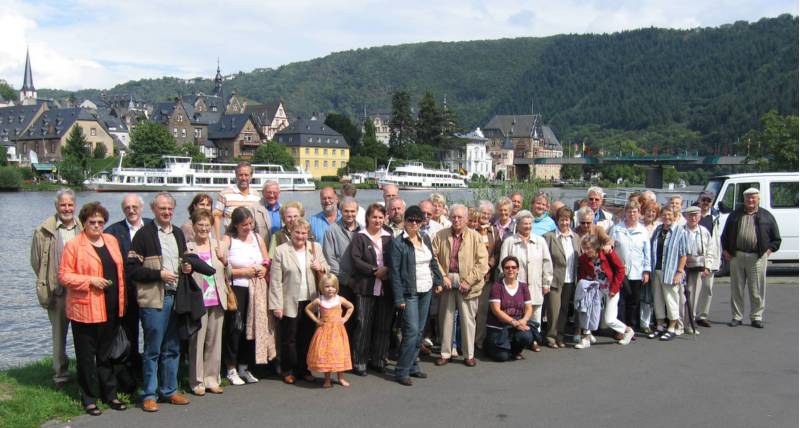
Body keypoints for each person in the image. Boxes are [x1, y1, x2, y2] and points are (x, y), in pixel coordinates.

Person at [58, 202, 127, 415]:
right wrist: (90, 281)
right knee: (87, 357)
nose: (96, 225)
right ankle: (89, 398)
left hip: (111, 308)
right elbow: (64, 276)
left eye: (100, 222)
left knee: (107, 355)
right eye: (92, 222)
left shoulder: (112, 241)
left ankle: (110, 394)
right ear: (84, 223)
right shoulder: (74, 245)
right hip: (85, 310)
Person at [126, 192, 192, 412]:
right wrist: (159, 275)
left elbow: (184, 259)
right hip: (155, 298)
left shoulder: (179, 234)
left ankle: (169, 390)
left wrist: (186, 268)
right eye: (162, 208)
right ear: (154, 210)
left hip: (176, 298)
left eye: (169, 208)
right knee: (153, 349)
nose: (166, 212)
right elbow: (132, 269)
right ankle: (149, 393)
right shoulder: (143, 235)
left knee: (172, 348)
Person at [31, 189, 82, 388]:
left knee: (83, 334)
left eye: (70, 205)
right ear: (56, 206)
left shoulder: (84, 226)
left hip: (80, 291)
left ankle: (85, 370)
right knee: (59, 335)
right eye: (63, 205)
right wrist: (49, 280)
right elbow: (37, 262)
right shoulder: (43, 230)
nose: (67, 208)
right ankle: (61, 374)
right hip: (58, 292)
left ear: (75, 206)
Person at [270, 218, 329, 384]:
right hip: (289, 300)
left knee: (307, 336)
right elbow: (275, 280)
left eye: (304, 233)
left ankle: (304, 369)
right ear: (291, 232)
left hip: (310, 299)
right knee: (289, 338)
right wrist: (276, 305)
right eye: (297, 232)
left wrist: (321, 267)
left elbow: (327, 269)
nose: (301, 236)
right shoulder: (281, 250)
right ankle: (287, 370)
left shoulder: (315, 248)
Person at [389, 205, 443, 385]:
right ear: (405, 221)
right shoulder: (398, 243)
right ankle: (401, 370)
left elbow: (433, 261)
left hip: (426, 289)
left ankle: (412, 365)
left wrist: (439, 280)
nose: (413, 224)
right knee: (411, 331)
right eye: (410, 220)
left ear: (422, 223)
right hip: (409, 292)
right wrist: (399, 298)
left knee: (419, 331)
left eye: (417, 221)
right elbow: (394, 273)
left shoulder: (425, 238)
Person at [104, 193, 151, 392]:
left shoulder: (152, 226)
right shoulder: (113, 231)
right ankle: (130, 375)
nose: (131, 211)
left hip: (150, 290)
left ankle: (149, 373)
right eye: (127, 208)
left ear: (141, 208)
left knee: (152, 332)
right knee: (130, 334)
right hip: (127, 292)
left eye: (135, 207)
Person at [222, 207, 274, 386]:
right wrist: (243, 271)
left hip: (256, 288)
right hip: (237, 288)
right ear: (235, 225)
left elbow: (266, 259)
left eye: (251, 224)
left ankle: (245, 365)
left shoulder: (258, 238)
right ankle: (231, 367)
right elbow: (223, 267)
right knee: (235, 328)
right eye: (244, 225)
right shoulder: (228, 240)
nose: (248, 227)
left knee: (250, 328)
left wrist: (264, 268)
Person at [432, 204, 489, 367]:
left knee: (468, 320)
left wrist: (468, 281)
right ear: (450, 218)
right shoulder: (440, 235)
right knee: (446, 319)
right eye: (454, 217)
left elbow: (482, 263)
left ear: (466, 219)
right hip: (447, 280)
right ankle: (445, 352)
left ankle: (468, 354)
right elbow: (433, 258)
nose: (456, 220)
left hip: (468, 282)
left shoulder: (475, 236)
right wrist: (442, 276)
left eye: (460, 217)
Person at [720, 187, 780, 328]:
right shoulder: (735, 215)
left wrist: (769, 250)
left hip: (757, 257)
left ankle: (756, 317)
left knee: (757, 289)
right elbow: (725, 235)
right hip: (737, 256)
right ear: (744, 199)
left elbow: (776, 238)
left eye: (753, 197)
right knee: (737, 289)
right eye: (748, 198)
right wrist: (726, 251)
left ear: (758, 199)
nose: (750, 200)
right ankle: (737, 316)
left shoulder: (767, 216)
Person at [186, 209, 229, 396]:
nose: (204, 228)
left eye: (207, 225)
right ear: (194, 226)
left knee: (214, 342)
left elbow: (228, 275)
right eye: (200, 225)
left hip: (217, 299)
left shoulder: (218, 245)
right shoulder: (188, 248)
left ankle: (212, 379)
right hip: (198, 301)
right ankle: (197, 381)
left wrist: (225, 261)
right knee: (197, 342)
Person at [498, 210, 552, 352]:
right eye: (524, 223)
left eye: (530, 223)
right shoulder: (509, 242)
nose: (527, 226)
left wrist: (546, 282)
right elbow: (501, 265)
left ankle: (534, 339)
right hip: (515, 287)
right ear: (518, 224)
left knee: (535, 315)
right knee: (516, 314)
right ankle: (517, 341)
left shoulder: (540, 241)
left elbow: (547, 263)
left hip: (535, 285)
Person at [348, 203, 393, 375]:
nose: (377, 220)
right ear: (367, 217)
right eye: (374, 217)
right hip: (366, 287)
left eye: (381, 217)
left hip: (385, 288)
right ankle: (359, 361)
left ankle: (378, 359)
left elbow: (394, 259)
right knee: (363, 324)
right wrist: (375, 270)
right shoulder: (360, 237)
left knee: (383, 325)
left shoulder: (389, 237)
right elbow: (356, 260)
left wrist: (387, 270)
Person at [574, 233, 634, 349]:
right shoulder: (583, 259)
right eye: (584, 248)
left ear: (596, 247)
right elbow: (582, 275)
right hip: (595, 289)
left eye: (589, 248)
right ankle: (586, 337)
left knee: (609, 319)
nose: (586, 251)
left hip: (611, 288)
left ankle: (628, 331)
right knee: (588, 311)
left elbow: (620, 270)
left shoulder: (607, 254)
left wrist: (614, 288)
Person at [305, 273, 354, 388]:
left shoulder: (340, 299)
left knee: (339, 353)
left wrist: (345, 318)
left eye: (332, 286)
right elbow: (308, 309)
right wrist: (317, 321)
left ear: (336, 287)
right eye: (327, 286)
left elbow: (351, 306)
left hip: (338, 331)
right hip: (324, 332)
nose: (330, 289)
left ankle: (341, 378)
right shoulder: (319, 300)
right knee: (326, 355)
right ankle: (327, 380)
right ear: (322, 287)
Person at [609, 200, 652, 333]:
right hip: (620, 272)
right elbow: (610, 249)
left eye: (635, 212)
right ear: (625, 213)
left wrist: (646, 271)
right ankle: (620, 329)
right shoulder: (617, 229)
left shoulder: (643, 231)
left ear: (639, 214)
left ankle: (631, 326)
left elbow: (647, 252)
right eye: (629, 211)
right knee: (620, 302)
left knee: (634, 302)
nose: (632, 214)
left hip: (637, 272)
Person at [647, 206, 688, 341]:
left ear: (675, 216)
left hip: (670, 271)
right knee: (657, 299)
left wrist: (679, 272)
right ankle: (659, 326)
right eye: (664, 215)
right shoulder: (658, 230)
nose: (667, 217)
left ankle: (672, 327)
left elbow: (683, 255)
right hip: (656, 270)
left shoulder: (680, 231)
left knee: (671, 300)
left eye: (670, 215)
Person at [484, 256, 534, 361]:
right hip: (498, 326)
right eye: (507, 267)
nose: (510, 270)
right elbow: (496, 310)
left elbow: (529, 308)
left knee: (527, 337)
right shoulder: (497, 286)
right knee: (502, 357)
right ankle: (489, 346)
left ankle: (515, 350)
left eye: (513, 267)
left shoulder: (523, 286)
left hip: (517, 324)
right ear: (503, 270)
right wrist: (514, 322)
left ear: (518, 269)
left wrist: (523, 321)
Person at [544, 207, 580, 348]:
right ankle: (551, 337)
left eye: (567, 219)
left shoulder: (575, 237)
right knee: (554, 310)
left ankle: (560, 335)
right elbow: (545, 260)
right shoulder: (549, 237)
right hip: (555, 279)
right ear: (557, 220)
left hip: (570, 279)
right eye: (562, 219)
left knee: (565, 309)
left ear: (570, 221)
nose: (564, 222)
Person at [679, 206, 717, 335]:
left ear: (700, 216)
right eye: (690, 215)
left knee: (693, 296)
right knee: (681, 296)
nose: (693, 218)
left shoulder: (704, 231)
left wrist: (708, 266)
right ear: (685, 216)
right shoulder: (680, 231)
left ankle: (689, 323)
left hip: (698, 266)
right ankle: (679, 323)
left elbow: (710, 250)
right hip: (682, 266)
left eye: (696, 215)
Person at [474, 200, 502, 348]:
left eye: (488, 213)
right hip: (472, 277)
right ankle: (466, 340)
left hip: (487, 277)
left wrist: (489, 265)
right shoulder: (471, 229)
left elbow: (497, 252)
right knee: (470, 311)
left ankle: (479, 340)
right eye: (483, 212)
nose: (485, 215)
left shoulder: (494, 231)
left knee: (483, 311)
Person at [322, 197, 361, 291]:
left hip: (360, 282)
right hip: (340, 283)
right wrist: (347, 279)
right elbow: (329, 258)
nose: (349, 214)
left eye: (353, 211)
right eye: (346, 211)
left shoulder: (362, 230)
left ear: (357, 212)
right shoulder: (331, 231)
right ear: (340, 211)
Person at [213, 162, 261, 238]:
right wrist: (218, 239)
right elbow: (216, 217)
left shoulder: (256, 196)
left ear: (251, 176)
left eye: (246, 175)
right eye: (241, 175)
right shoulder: (224, 194)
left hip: (251, 239)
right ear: (236, 175)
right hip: (231, 238)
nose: (244, 178)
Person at [696, 190, 721, 328]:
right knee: (692, 289)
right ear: (699, 200)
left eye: (708, 200)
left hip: (709, 256)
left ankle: (703, 315)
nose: (705, 203)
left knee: (707, 288)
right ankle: (690, 314)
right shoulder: (692, 214)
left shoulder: (715, 217)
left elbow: (717, 240)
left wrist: (713, 262)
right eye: (703, 199)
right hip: (694, 257)